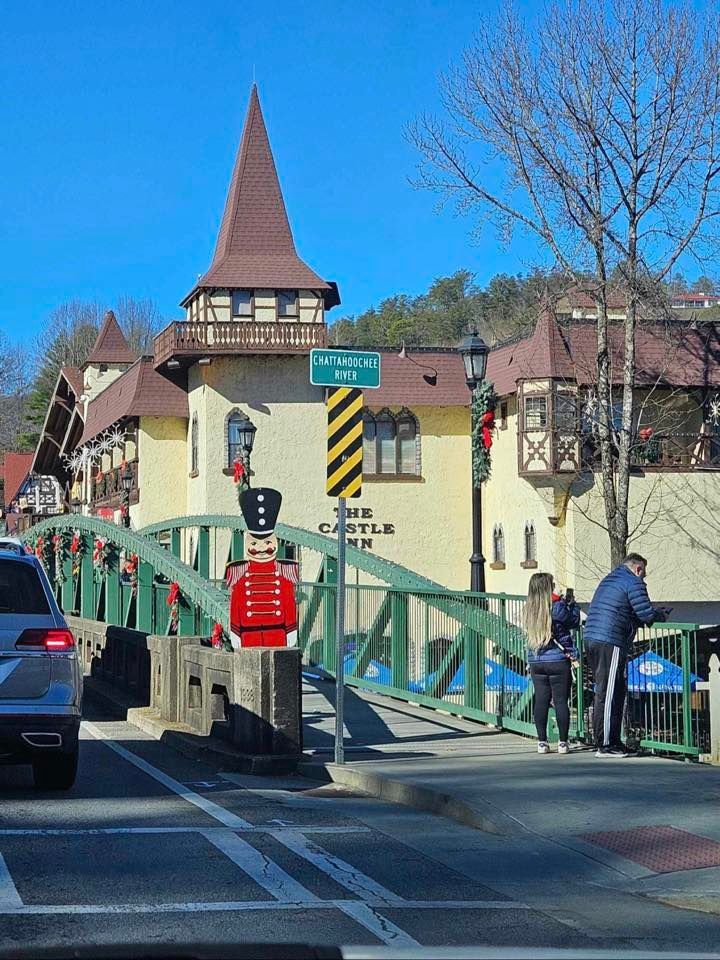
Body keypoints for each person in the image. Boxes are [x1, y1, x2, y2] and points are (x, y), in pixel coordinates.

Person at [583, 553, 668, 758]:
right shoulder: (633, 582)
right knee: (609, 692)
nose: (644, 578)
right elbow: (646, 614)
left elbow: (626, 610)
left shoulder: (611, 579)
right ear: (638, 569)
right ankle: (605, 744)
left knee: (613, 689)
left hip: (593, 637)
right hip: (610, 640)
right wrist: (661, 614)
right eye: (644, 573)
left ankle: (613, 741)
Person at [524, 572, 580, 755]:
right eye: (552, 584)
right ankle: (563, 743)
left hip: (536, 659)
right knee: (560, 701)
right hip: (557, 659)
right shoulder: (556, 607)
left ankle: (542, 742)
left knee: (541, 699)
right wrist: (571, 604)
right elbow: (573, 620)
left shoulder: (529, 608)